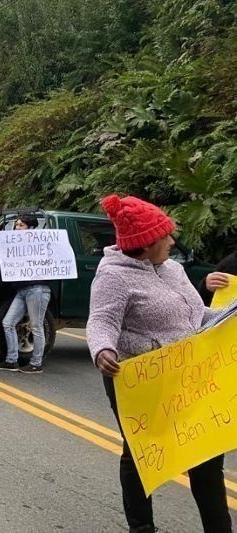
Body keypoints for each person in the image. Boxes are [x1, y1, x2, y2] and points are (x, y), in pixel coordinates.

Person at [87, 194, 232, 533]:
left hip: (188, 375)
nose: (171, 240)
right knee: (141, 454)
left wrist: (230, 313)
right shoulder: (114, 276)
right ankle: (142, 527)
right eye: (165, 235)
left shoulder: (175, 269)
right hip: (139, 378)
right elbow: (102, 321)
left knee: (206, 456)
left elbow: (198, 316)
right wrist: (102, 350)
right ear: (146, 243)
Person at [0, 214, 51, 374]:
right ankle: (11, 360)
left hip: (37, 289)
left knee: (36, 326)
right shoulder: (14, 244)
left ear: (31, 228)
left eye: (21, 225)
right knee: (8, 322)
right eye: (16, 225)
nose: (17, 228)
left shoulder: (39, 243)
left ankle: (36, 363)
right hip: (22, 290)